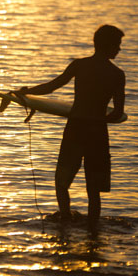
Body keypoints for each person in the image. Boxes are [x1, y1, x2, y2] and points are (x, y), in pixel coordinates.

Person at [15, 25, 125, 229]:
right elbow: (118, 113)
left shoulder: (80, 65)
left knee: (62, 181)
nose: (119, 49)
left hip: (75, 129)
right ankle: (93, 230)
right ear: (109, 45)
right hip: (98, 134)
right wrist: (99, 118)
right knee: (94, 189)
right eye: (117, 45)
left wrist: (26, 92)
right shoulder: (117, 74)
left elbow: (51, 86)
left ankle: (64, 222)